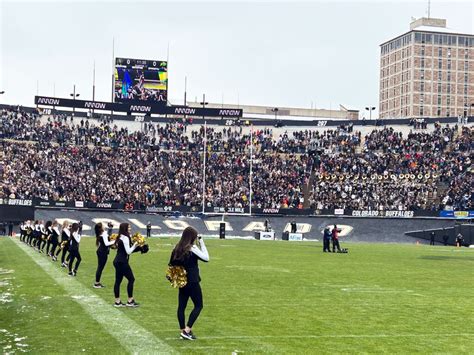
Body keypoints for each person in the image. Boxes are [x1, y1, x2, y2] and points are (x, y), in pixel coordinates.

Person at [169, 226, 209, 341]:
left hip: (181, 281)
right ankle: (187, 330)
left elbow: (171, 265)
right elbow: (206, 258)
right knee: (198, 305)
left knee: (182, 306)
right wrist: (201, 241)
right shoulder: (192, 248)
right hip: (193, 280)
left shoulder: (177, 248)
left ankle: (182, 330)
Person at [113, 223, 147, 308]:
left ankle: (117, 302)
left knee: (118, 281)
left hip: (117, 261)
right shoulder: (126, 237)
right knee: (131, 279)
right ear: (125, 228)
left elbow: (125, 250)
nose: (130, 228)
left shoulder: (120, 236)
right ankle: (130, 300)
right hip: (122, 262)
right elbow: (128, 251)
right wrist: (136, 244)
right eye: (128, 227)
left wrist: (139, 248)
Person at [94, 222, 115, 289]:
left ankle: (97, 282)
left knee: (100, 267)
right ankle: (96, 283)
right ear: (101, 228)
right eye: (103, 225)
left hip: (100, 251)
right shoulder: (103, 234)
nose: (104, 226)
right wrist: (115, 241)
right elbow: (106, 243)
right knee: (100, 268)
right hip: (103, 252)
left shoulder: (100, 234)